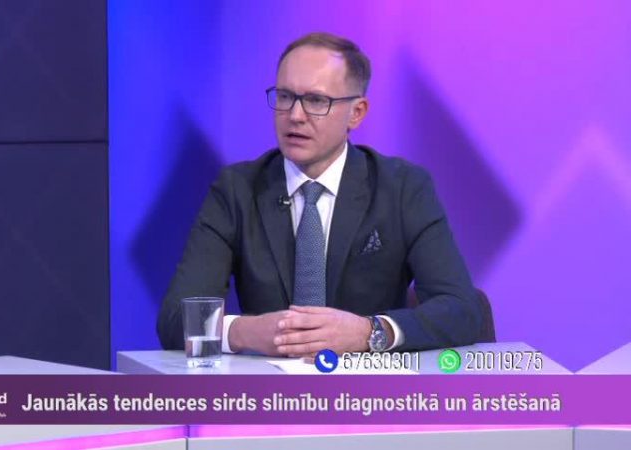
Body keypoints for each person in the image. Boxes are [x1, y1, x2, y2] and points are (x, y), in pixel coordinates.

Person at [157, 32, 483, 357]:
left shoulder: (402, 189)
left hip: (369, 385)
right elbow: (174, 318)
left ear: (356, 112)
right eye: (285, 97)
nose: (295, 115)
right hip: (267, 385)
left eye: (316, 101)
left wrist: (369, 332)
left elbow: (461, 310)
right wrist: (244, 332)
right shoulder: (237, 190)